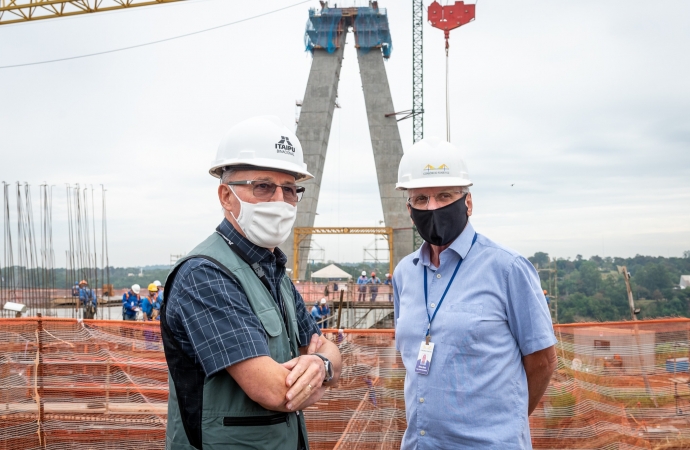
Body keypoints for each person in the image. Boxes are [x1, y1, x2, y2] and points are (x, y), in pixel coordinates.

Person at [161, 116, 342, 450]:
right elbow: (275, 390)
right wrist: (320, 370)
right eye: (262, 186)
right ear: (226, 197)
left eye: (289, 189)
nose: (279, 200)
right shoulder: (205, 275)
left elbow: (326, 349)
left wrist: (321, 364)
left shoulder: (273, 274)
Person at [393, 137, 557, 448]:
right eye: (421, 200)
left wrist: (504, 428)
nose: (433, 207)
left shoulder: (508, 269)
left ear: (467, 202)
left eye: (444, 196)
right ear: (410, 208)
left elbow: (543, 362)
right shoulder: (405, 274)